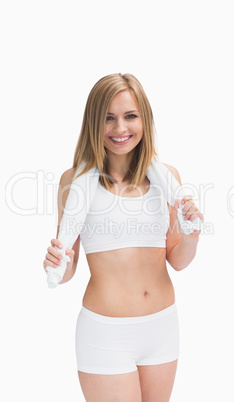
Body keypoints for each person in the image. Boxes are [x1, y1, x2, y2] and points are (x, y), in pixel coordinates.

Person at [43, 73, 204, 402]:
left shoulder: (168, 178)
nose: (120, 129)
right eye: (108, 118)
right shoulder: (73, 181)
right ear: (93, 123)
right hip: (105, 335)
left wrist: (192, 234)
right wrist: (57, 262)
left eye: (130, 116)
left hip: (162, 327)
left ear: (144, 119)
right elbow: (68, 269)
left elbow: (177, 260)